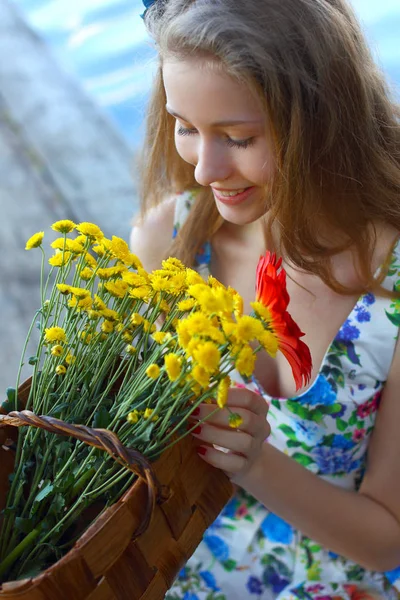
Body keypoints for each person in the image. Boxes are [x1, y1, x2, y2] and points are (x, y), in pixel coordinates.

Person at [129, 0, 400, 597]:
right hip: (181, 553)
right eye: (186, 127)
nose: (204, 170)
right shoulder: (168, 242)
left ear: (325, 119)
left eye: (238, 137)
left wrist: (254, 462)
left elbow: (386, 539)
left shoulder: (390, 287)